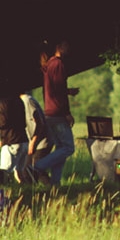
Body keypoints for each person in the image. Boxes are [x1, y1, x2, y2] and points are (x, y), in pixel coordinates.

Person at [27, 40, 78, 184]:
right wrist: (66, 112)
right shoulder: (59, 64)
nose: (70, 49)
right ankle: (36, 167)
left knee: (61, 148)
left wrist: (68, 91)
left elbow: (53, 89)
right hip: (58, 114)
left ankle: (55, 183)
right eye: (67, 45)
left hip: (49, 111)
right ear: (59, 48)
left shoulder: (48, 65)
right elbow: (59, 92)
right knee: (68, 148)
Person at [0, 96, 28, 179]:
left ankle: (6, 190)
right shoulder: (19, 100)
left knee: (4, 172)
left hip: (12, 142)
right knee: (20, 173)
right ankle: (24, 190)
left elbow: (3, 122)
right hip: (23, 141)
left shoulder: (5, 101)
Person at [20, 90, 51, 169]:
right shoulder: (25, 100)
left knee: (34, 170)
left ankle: (53, 182)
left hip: (41, 142)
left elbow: (39, 123)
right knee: (29, 171)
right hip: (38, 141)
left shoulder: (27, 101)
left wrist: (32, 143)